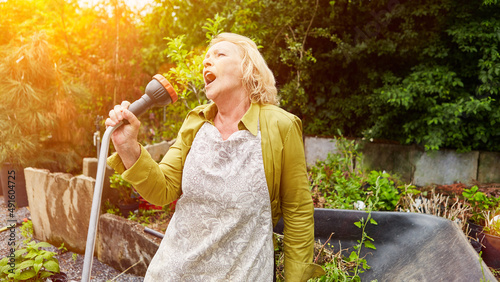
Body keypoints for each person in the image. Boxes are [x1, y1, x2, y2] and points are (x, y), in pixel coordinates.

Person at [105, 32, 324, 281]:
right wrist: (128, 146)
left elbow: (298, 211)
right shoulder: (196, 122)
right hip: (172, 273)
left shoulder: (280, 126)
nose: (207, 61)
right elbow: (162, 189)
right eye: (206, 58)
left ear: (247, 69)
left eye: (220, 54)